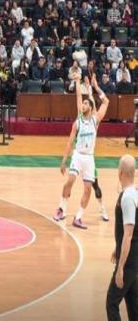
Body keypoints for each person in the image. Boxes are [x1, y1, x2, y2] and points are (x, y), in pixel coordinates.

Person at [55, 74, 109, 229]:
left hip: (89, 158)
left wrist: (96, 86)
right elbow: (69, 142)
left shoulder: (95, 120)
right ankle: (61, 209)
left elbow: (106, 101)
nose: (83, 104)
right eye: (83, 103)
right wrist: (64, 160)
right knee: (69, 182)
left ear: (90, 107)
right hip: (78, 156)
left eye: (86, 103)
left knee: (88, 189)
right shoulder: (77, 121)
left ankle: (78, 218)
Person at [106, 154, 137, 321]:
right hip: (134, 259)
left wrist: (120, 268)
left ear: (120, 173)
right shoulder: (134, 193)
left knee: (111, 303)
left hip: (129, 261)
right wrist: (116, 247)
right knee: (133, 307)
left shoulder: (127, 198)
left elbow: (129, 234)